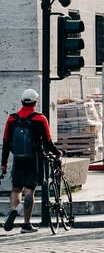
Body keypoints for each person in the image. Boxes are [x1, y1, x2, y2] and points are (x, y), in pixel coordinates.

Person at [2, 89, 61, 233]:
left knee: (16, 189)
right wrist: (57, 153)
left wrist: (3, 163)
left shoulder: (11, 119)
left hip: (17, 158)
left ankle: (14, 209)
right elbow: (47, 142)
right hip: (33, 158)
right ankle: (26, 224)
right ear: (36, 102)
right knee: (29, 191)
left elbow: (6, 142)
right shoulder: (40, 119)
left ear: (22, 101)